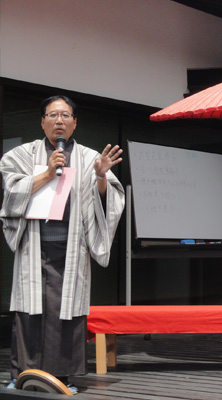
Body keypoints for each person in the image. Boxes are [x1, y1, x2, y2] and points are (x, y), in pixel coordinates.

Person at [0, 95, 125, 393]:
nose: (59, 121)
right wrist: (46, 173)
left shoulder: (90, 158)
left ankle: (63, 377)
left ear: (75, 122)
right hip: (33, 246)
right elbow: (10, 193)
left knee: (66, 313)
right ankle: (23, 375)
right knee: (29, 312)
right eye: (53, 115)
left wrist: (101, 177)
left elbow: (110, 200)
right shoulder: (21, 156)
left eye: (65, 115)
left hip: (71, 249)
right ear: (42, 121)